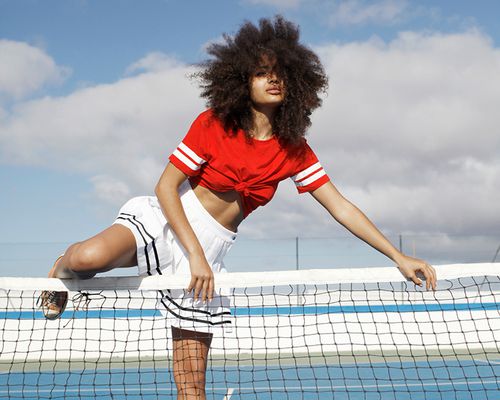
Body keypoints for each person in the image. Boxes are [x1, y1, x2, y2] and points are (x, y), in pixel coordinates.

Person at [39, 16, 437, 400]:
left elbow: (341, 207)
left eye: (281, 72)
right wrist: (194, 255)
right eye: (262, 72)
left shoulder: (294, 149)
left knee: (192, 389)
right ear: (241, 80)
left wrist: (397, 256)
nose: (274, 79)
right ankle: (60, 268)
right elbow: (165, 187)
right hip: (170, 221)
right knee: (86, 257)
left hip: (211, 250)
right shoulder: (213, 124)